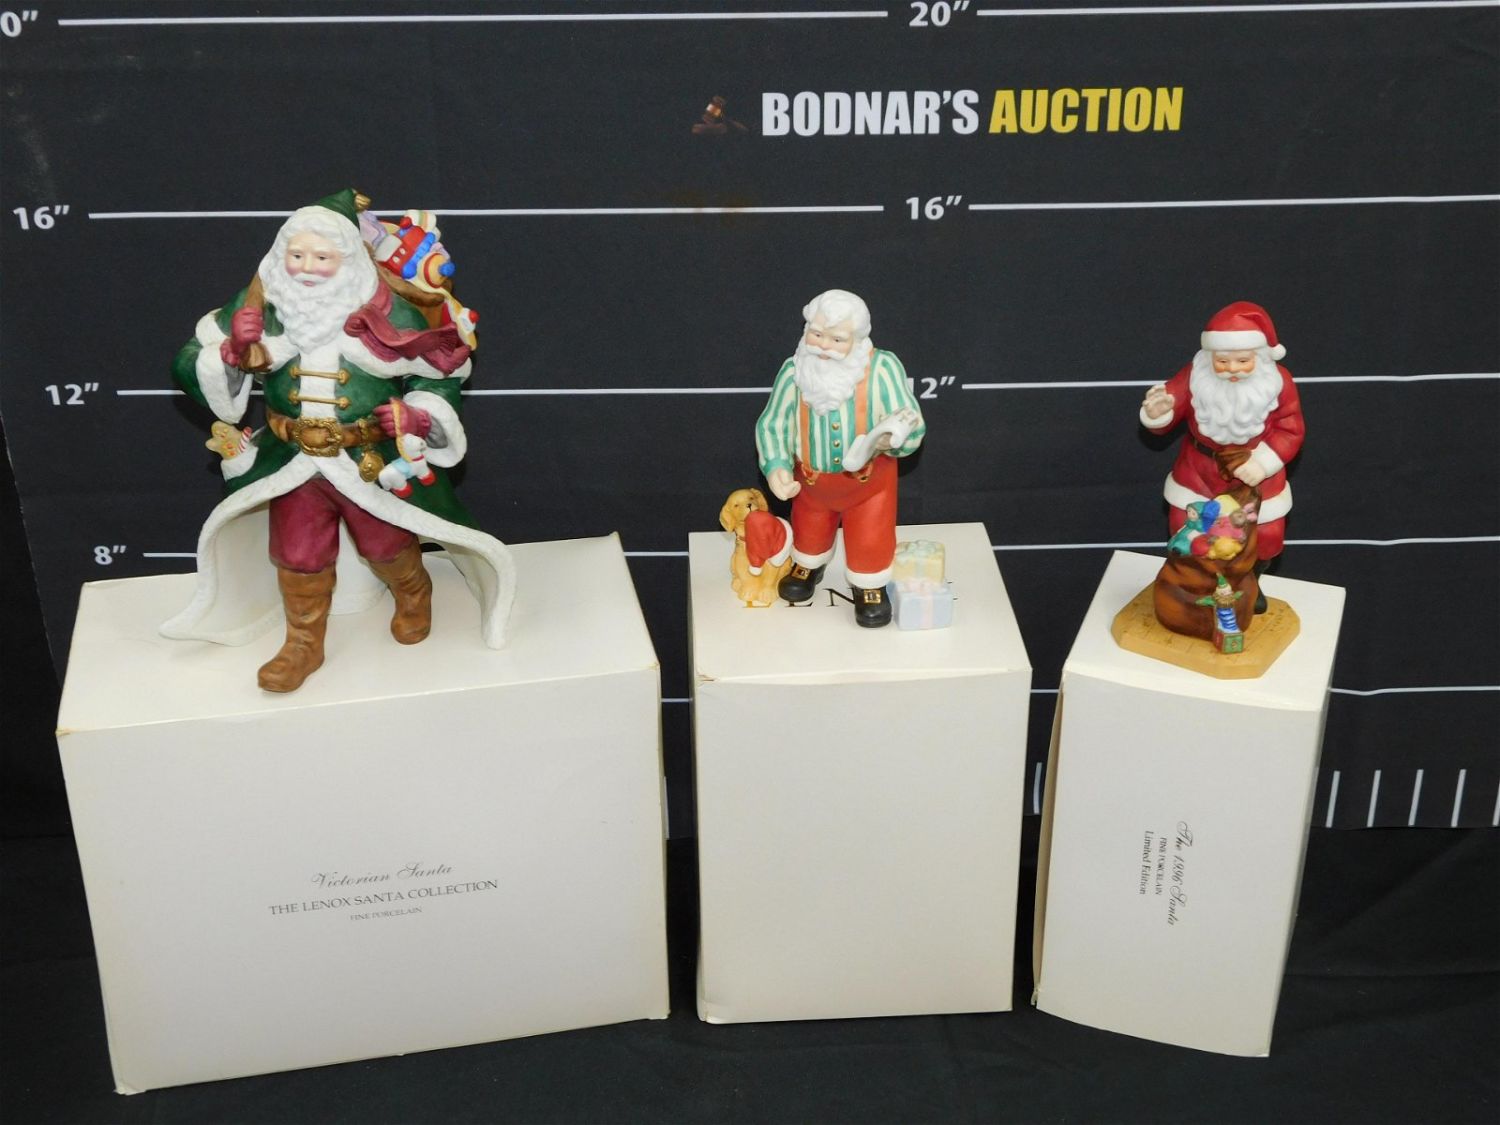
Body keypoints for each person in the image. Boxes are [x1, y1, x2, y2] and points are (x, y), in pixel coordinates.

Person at [161, 190, 514, 691]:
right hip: (291, 460)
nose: (307, 268)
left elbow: (437, 374)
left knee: (385, 543)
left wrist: (418, 416)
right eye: (297, 255)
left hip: (368, 459)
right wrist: (232, 352)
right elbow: (190, 358)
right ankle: (302, 643)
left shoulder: (391, 314)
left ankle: (413, 592)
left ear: (347, 260)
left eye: (322, 257)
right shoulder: (264, 309)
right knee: (298, 553)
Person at [754, 290, 925, 627]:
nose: (823, 346)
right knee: (809, 528)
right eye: (816, 334)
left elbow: (911, 419)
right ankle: (808, 564)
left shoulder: (882, 369)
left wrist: (894, 439)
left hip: (869, 483)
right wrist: (776, 466)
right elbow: (773, 423)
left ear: (857, 338)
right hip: (812, 482)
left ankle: (869, 584)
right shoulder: (794, 372)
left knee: (870, 536)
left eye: (836, 339)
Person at [1140, 301, 1305, 610]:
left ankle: (1249, 581)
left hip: (1256, 477)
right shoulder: (1195, 375)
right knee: (1186, 528)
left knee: (1266, 535)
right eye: (1223, 361)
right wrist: (1158, 412)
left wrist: (1263, 463)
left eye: (1243, 360)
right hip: (1199, 472)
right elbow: (1169, 405)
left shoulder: (1278, 382)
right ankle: (1198, 584)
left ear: (1260, 356)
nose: (1232, 369)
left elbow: (1290, 429)